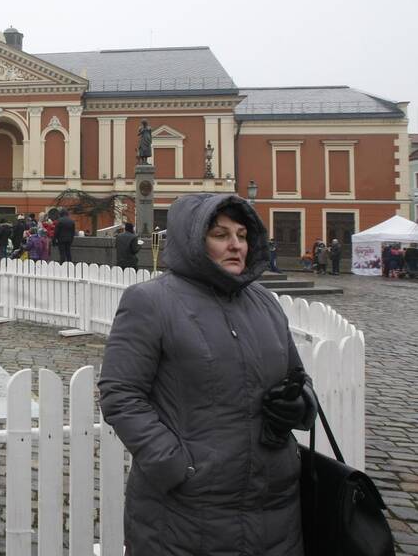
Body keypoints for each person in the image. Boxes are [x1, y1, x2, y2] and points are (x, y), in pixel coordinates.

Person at [99, 194, 314, 555]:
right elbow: (120, 394)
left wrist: (298, 405)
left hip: (274, 506)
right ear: (193, 239)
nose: (235, 245)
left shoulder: (266, 303)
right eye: (220, 234)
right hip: (185, 513)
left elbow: (299, 377)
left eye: (242, 235)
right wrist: (177, 466)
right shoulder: (151, 301)